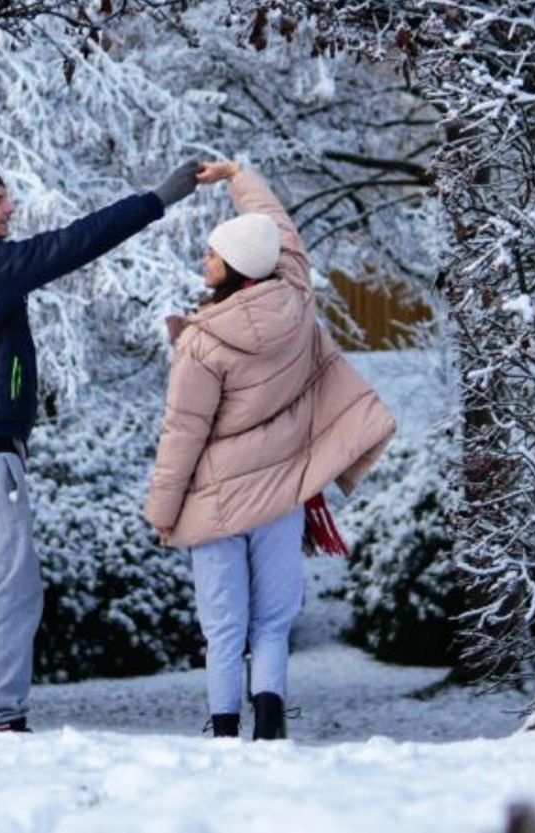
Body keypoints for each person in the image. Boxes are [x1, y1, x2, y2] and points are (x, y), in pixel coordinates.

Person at [0, 157, 204, 732]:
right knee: (13, 582)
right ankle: (2, 713)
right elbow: (75, 243)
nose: (10, 208)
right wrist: (157, 199)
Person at [145, 161, 397, 741]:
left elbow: (182, 433)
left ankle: (227, 726)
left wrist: (163, 512)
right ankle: (272, 722)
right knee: (273, 622)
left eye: (212, 256)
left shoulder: (203, 344)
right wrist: (240, 176)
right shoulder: (297, 301)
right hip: (283, 496)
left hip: (215, 505)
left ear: (233, 267)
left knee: (224, 624)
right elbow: (277, 230)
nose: (203, 263)